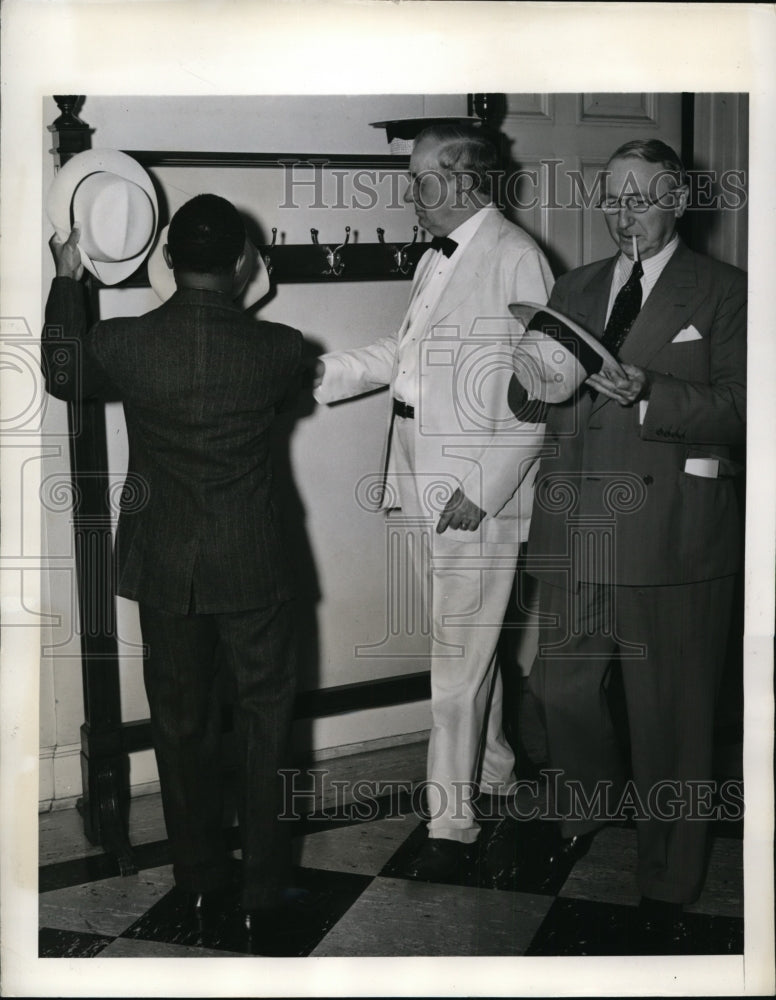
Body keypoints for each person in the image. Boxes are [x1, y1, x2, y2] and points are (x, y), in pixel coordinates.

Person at [42, 194, 304, 936]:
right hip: (254, 564)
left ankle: (199, 881)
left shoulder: (126, 344)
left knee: (180, 724)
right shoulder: (283, 349)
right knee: (266, 723)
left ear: (164, 260)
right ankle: (264, 889)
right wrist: (251, 290)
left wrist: (70, 279)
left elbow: (64, 371)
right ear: (244, 264)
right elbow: (269, 377)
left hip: (166, 566)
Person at [313, 123, 554, 879]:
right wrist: (316, 371)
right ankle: (497, 770)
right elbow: (403, 357)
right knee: (465, 647)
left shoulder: (518, 259)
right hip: (421, 474)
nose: (409, 193)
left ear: (466, 182)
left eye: (420, 179)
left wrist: (482, 490)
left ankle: (451, 824)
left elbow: (542, 392)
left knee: (456, 659)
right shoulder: (433, 260)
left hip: (474, 493)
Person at [524, 139, 746, 940]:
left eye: (641, 200)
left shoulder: (727, 292)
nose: (624, 217)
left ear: (678, 201)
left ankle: (670, 878)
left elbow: (745, 409)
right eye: (612, 201)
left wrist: (654, 392)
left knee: (674, 720)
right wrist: (530, 381)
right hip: (577, 525)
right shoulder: (575, 285)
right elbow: (538, 400)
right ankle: (587, 808)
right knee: (557, 693)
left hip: (675, 534)